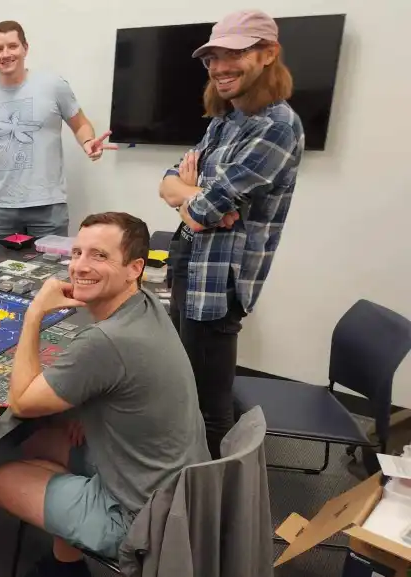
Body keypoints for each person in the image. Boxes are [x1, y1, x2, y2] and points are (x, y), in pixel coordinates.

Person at [0, 212, 209, 577]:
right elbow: (124, 381)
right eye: (77, 253)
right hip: (183, 491)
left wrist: (34, 313)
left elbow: (21, 402)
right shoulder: (148, 304)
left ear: (134, 268)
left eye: (99, 256)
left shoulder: (105, 342)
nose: (80, 267)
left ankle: (69, 568)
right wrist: (84, 409)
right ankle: (64, 557)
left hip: (143, 520)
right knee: (38, 445)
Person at [158, 9, 304, 458]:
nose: (220, 67)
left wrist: (195, 198)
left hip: (218, 284)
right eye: (212, 58)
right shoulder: (227, 121)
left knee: (209, 406)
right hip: (189, 264)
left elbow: (200, 212)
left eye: (235, 54)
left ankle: (212, 507)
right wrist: (195, 196)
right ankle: (182, 480)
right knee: (185, 386)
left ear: (268, 54)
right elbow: (168, 184)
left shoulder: (276, 126)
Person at [0, 21, 117, 238]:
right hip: (1, 210)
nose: (5, 54)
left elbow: (81, 124)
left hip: (48, 208)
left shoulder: (53, 85)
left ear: (25, 48)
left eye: (12, 46)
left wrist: (88, 142)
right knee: (0, 272)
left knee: (50, 270)